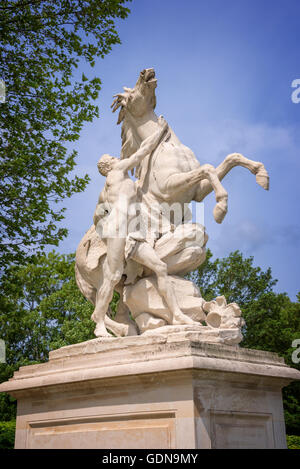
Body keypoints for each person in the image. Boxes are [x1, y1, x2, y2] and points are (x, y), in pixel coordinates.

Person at [92, 116, 196, 336]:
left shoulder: (108, 189)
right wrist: (160, 133)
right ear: (108, 165)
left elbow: (96, 217)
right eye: (112, 157)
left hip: (134, 235)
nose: (116, 157)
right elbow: (143, 152)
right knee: (111, 278)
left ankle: (176, 314)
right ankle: (99, 320)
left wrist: (106, 229)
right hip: (121, 233)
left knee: (160, 267)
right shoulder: (118, 171)